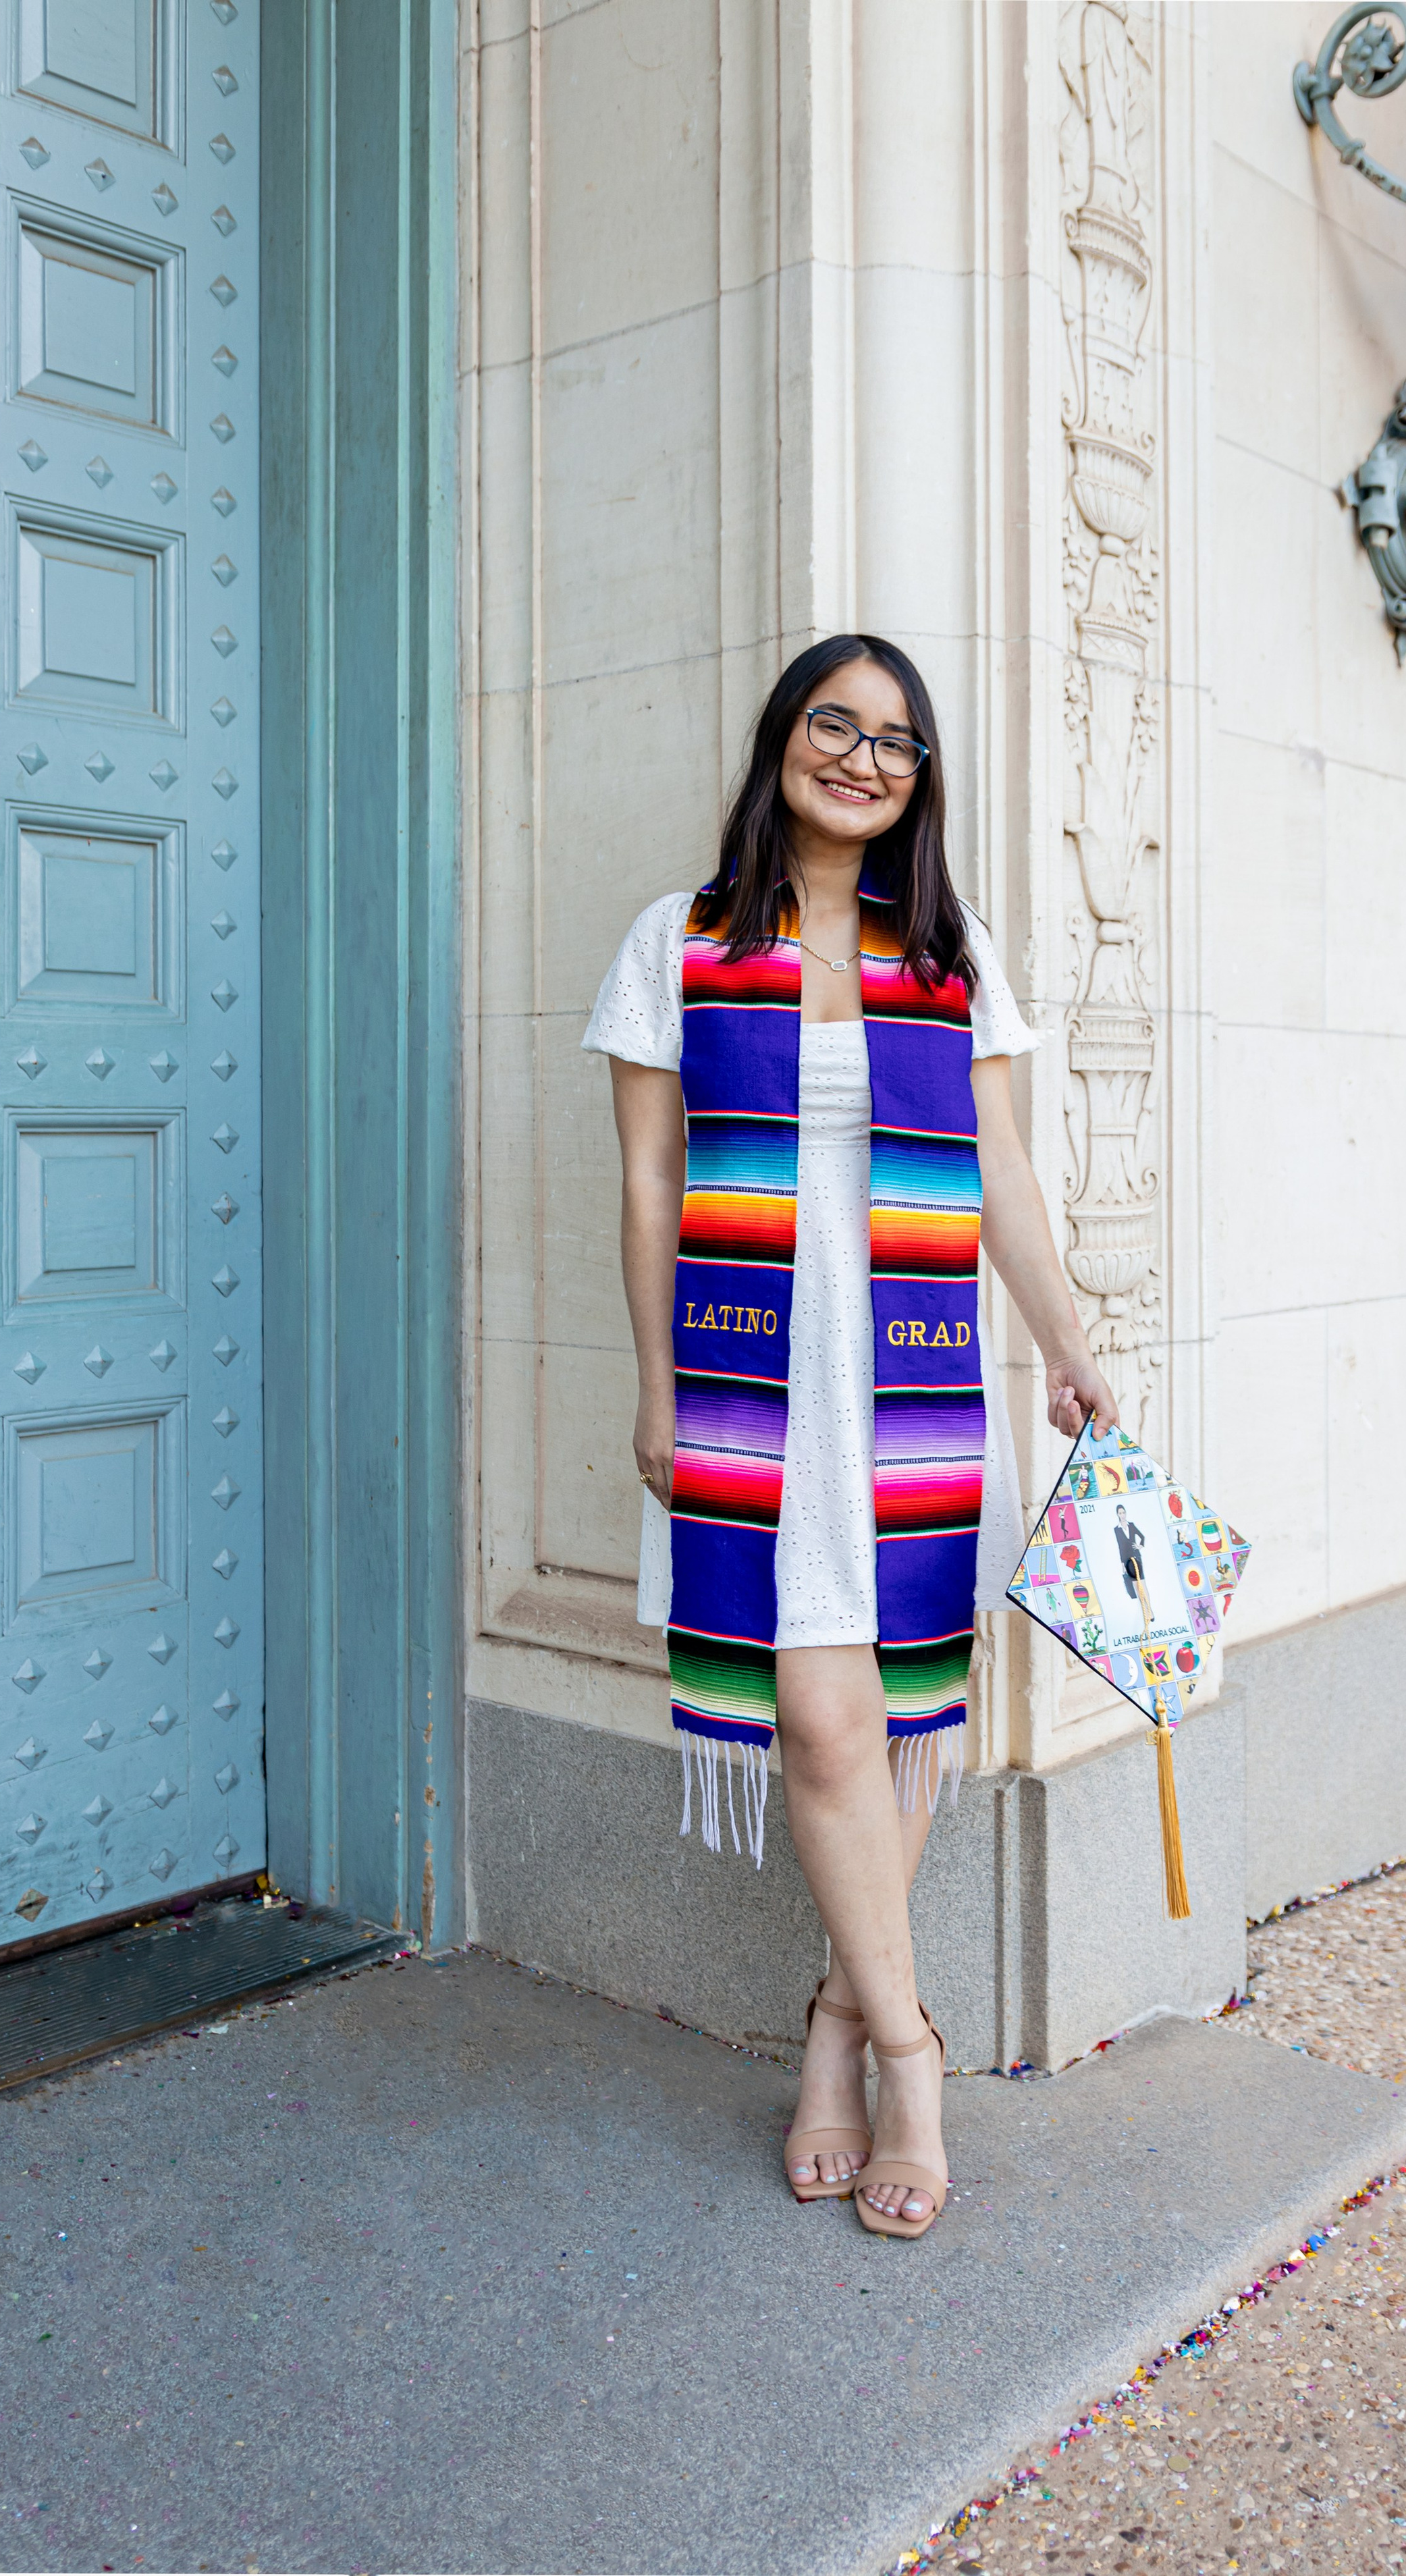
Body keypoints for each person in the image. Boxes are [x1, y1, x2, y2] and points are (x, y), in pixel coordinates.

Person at [583, 634, 1116, 2240]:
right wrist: (657, 1383)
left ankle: (832, 2028)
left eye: (897, 741)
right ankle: (912, 2049)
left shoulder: (947, 951)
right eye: (838, 724)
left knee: (892, 1720)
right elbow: (644, 1183)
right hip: (760, 1387)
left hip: (918, 1384)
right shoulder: (676, 942)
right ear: (783, 737)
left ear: (918, 777)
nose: (864, 759)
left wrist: (1069, 1344)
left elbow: (1006, 1176)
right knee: (821, 1727)